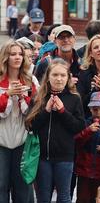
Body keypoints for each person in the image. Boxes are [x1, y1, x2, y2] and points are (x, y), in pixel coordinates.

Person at [25, 59, 86, 203]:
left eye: (63, 75)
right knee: (43, 196)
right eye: (55, 75)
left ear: (68, 78)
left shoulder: (74, 98)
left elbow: (79, 127)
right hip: (42, 157)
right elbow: (30, 125)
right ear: (48, 77)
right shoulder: (39, 98)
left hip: (65, 156)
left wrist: (62, 111)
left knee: (64, 196)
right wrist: (46, 111)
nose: (59, 79)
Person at [0, 40, 38, 203]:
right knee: (1, 185)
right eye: (13, 54)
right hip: (1, 141)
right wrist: (7, 94)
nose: (17, 57)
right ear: (5, 57)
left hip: (23, 141)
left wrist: (23, 96)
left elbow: (35, 112)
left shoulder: (31, 80)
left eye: (20, 54)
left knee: (22, 185)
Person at [74, 91, 100, 203]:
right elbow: (76, 142)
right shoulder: (85, 124)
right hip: (84, 171)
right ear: (90, 109)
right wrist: (88, 131)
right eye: (95, 109)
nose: (98, 112)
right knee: (83, 199)